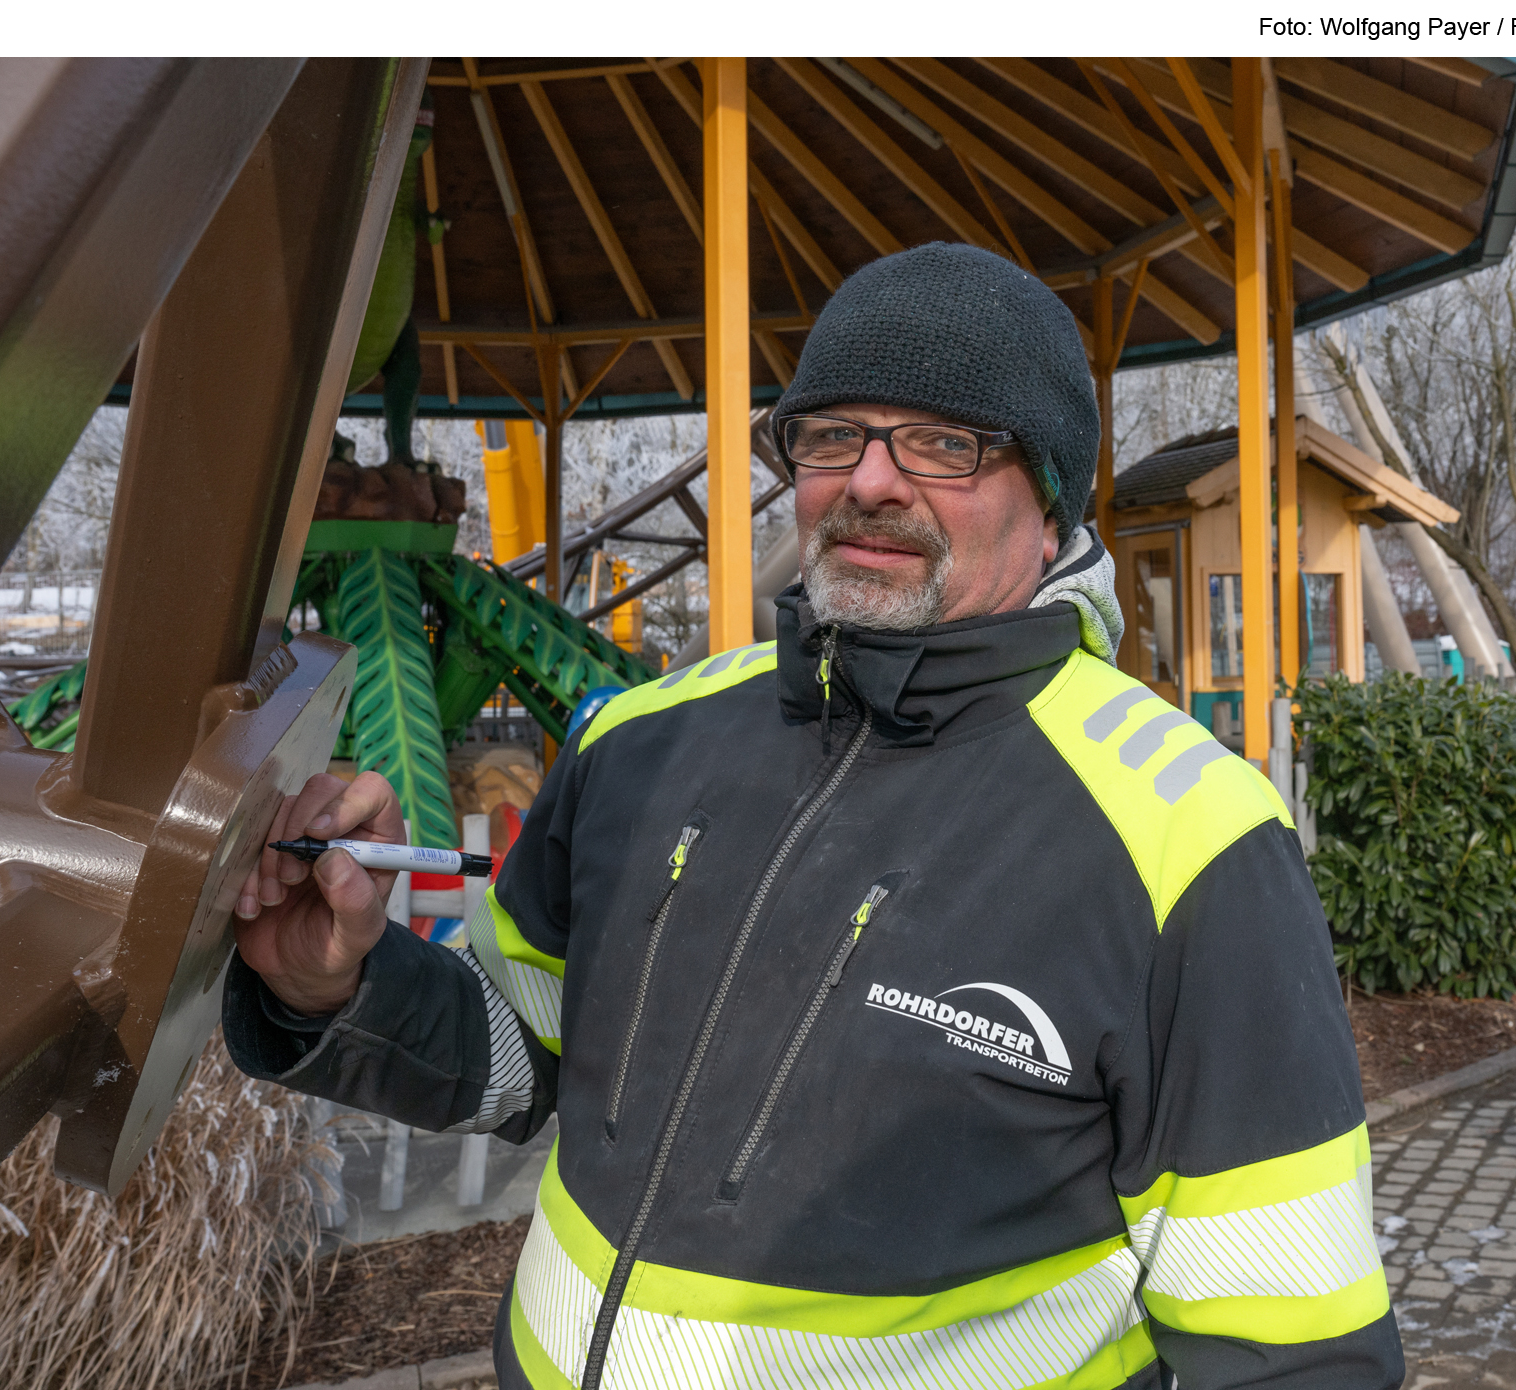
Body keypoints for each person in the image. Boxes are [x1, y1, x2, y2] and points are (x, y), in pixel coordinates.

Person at [224, 244, 1401, 1390]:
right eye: (832, 434)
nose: (870, 482)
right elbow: (520, 1053)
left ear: (1048, 505)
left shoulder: (1188, 838)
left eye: (943, 442)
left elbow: (1291, 1349)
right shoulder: (639, 741)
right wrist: (337, 983)